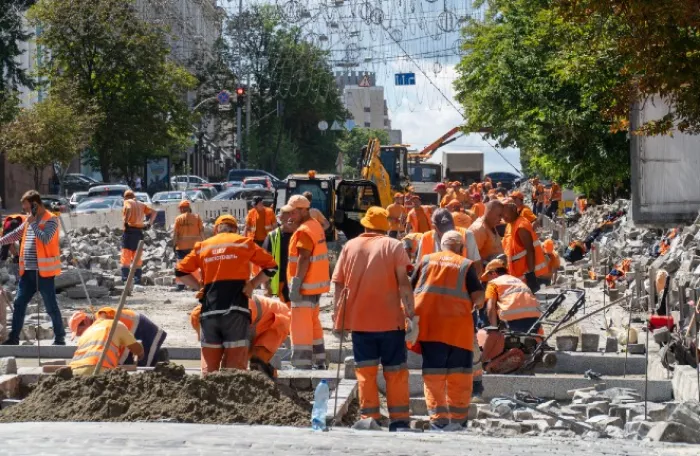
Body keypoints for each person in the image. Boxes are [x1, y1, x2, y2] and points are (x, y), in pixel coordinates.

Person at [331, 206, 414, 430]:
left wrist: (338, 317)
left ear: (365, 225)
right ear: (385, 227)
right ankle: (399, 421)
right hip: (390, 322)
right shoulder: (394, 246)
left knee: (365, 372)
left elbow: (338, 284)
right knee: (395, 372)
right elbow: (404, 284)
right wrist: (411, 314)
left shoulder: (349, 246)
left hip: (360, 322)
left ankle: (370, 418)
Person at [175, 214, 278, 374]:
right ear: (235, 229)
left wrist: (199, 286)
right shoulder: (244, 243)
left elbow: (180, 271)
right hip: (236, 312)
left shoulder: (203, 246)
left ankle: (207, 396)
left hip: (209, 312)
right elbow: (271, 267)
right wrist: (252, 284)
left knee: (209, 371)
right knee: (235, 372)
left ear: (216, 229)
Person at [412, 230, 485, 431]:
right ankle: (458, 420)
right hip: (458, 331)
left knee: (434, 375)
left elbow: (410, 291)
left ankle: (438, 420)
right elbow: (478, 298)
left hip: (431, 329)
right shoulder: (465, 264)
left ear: (440, 246)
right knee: (459, 376)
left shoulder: (426, 261)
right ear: (461, 248)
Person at [0, 190, 65, 346]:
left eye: (26, 206)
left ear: (35, 204)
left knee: (51, 307)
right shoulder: (29, 220)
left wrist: (34, 222)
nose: (24, 209)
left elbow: (45, 238)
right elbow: (16, 234)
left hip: (44, 273)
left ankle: (60, 337)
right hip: (27, 272)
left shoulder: (51, 220)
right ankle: (13, 338)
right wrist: (1, 241)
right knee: (19, 303)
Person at [190, 295, 291, 378]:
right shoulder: (210, 312)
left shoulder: (235, 312)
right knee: (230, 364)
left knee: (257, 361)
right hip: (255, 321)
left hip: (277, 319)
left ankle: (273, 385)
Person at [286, 195, 331, 369]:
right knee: (313, 324)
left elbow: (304, 258)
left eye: (294, 211)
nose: (291, 215)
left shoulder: (304, 231)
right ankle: (319, 360)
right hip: (315, 286)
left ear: (304, 210)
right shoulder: (315, 225)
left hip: (304, 287)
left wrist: (296, 284)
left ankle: (301, 364)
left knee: (300, 327)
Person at [69, 307, 167, 367]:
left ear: (85, 321)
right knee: (125, 363)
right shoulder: (97, 326)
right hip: (132, 332)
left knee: (145, 365)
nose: (82, 335)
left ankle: (162, 359)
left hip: (142, 328)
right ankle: (160, 358)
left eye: (80, 332)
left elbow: (113, 329)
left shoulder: (102, 315)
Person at [69, 308, 144, 376]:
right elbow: (137, 350)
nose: (80, 334)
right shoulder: (116, 325)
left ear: (85, 321)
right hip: (100, 369)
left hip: (74, 371)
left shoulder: (86, 333)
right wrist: (140, 352)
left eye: (79, 331)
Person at [481, 259, 542, 333]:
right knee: (531, 340)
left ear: (494, 273)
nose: (488, 279)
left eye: (488, 276)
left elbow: (490, 307)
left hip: (512, 318)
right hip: (535, 316)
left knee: (486, 307)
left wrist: (494, 329)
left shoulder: (493, 283)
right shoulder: (518, 280)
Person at [501, 201, 548, 293]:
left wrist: (531, 275)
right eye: (501, 214)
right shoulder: (510, 224)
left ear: (514, 210)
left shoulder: (521, 226)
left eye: (505, 213)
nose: (503, 217)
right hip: (516, 275)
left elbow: (530, 251)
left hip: (524, 276)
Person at [415, 209, 481, 272]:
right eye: (444, 231)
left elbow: (477, 266)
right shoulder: (426, 238)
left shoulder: (467, 235)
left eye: (450, 229)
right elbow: (419, 266)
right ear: (434, 227)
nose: (448, 234)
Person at [262, 205, 299, 304]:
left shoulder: (302, 235)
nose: (290, 219)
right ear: (280, 219)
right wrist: (266, 286)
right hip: (283, 281)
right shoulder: (273, 236)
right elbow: (265, 262)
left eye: (292, 216)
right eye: (286, 216)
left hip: (300, 280)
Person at [121, 189, 156, 285]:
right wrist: (149, 224)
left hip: (129, 231)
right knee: (137, 256)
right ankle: (137, 280)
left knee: (126, 256)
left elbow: (128, 209)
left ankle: (125, 279)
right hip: (139, 232)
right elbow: (154, 212)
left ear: (126, 197)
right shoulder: (141, 204)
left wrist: (126, 222)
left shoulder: (127, 202)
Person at [173, 200, 204, 291]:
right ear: (189, 208)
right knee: (194, 265)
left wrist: (174, 244)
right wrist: (204, 243)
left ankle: (180, 285)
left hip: (182, 247)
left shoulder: (178, 219)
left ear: (182, 209)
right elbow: (201, 231)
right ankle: (196, 285)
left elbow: (175, 234)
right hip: (195, 246)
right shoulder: (197, 217)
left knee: (181, 265)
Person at [468, 200, 505, 264]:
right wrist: (487, 263)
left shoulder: (491, 224)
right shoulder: (479, 229)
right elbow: (471, 257)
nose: (501, 218)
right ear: (490, 212)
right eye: (499, 215)